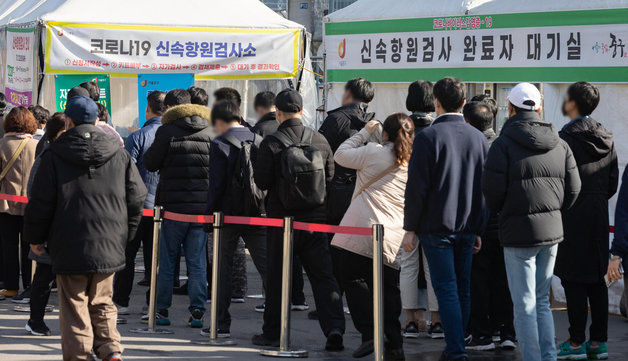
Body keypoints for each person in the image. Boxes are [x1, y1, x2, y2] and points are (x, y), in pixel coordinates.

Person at [25, 95, 146, 361]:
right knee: (103, 301)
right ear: (97, 120)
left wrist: (35, 238)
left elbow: (41, 201)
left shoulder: (54, 154)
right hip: (110, 242)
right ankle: (111, 350)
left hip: (67, 242)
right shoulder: (119, 153)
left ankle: (80, 355)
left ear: (68, 121)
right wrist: (127, 232)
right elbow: (137, 196)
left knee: (74, 303)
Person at [482, 83, 581, 361]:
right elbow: (574, 189)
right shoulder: (560, 143)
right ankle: (547, 357)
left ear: (510, 109)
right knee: (539, 303)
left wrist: (504, 211)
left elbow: (491, 191)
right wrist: (553, 211)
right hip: (551, 232)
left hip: (516, 232)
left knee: (524, 304)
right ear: (539, 108)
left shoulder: (502, 144)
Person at [402, 77, 488, 361]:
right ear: (464, 103)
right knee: (462, 288)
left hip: (436, 226)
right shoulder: (479, 137)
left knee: (448, 288)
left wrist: (410, 228)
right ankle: (456, 344)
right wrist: (479, 227)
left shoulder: (427, 137)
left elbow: (417, 188)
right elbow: (485, 188)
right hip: (467, 225)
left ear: (437, 102)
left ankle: (455, 349)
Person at [252, 89, 345, 351]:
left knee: (277, 279)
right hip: (315, 221)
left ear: (278, 113)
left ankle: (273, 333)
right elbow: (329, 178)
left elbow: (261, 182)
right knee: (324, 276)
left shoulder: (271, 142)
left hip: (282, 222)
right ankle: (335, 327)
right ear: (302, 111)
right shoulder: (321, 139)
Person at [333, 114, 414, 360]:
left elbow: (341, 154)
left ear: (385, 133)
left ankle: (370, 333)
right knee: (389, 289)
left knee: (353, 278)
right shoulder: (413, 160)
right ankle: (394, 343)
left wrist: (365, 132)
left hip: (359, 228)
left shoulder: (372, 151)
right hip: (392, 233)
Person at [554, 82, 618, 360]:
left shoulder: (565, 138)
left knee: (573, 280)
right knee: (596, 279)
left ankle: (577, 341)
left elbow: (557, 179)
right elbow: (612, 182)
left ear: (572, 104)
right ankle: (598, 343)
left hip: (571, 213)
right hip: (598, 215)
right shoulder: (607, 137)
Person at [144, 88, 212, 327]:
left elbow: (150, 163)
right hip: (202, 210)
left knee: (167, 262)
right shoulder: (211, 130)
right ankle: (197, 312)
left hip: (172, 210)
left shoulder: (166, 131)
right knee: (197, 262)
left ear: (170, 107)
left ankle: (162, 311)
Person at [200, 100, 268, 338]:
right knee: (267, 268)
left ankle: (221, 323)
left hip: (226, 216)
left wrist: (209, 215)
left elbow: (215, 186)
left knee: (222, 269)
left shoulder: (220, 143)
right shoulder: (259, 140)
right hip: (257, 214)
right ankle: (274, 324)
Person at [463, 101, 516, 351]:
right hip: (506, 223)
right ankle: (505, 331)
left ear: (468, 122)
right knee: (503, 280)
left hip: (479, 223)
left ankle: (482, 333)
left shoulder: (471, 145)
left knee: (479, 280)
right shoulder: (504, 144)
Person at [112, 91, 165, 315]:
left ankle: (122, 302)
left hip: (135, 208)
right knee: (156, 260)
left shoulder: (137, 137)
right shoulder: (171, 135)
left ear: (147, 109)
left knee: (127, 256)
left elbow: (125, 173)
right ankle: (152, 304)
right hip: (162, 209)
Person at [400, 80, 441, 339]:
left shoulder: (401, 128)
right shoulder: (438, 131)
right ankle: (437, 321)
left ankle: (412, 321)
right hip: (435, 208)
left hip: (404, 206)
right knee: (433, 267)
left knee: (408, 266)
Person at [25, 112, 67, 336]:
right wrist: (36, 234)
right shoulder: (47, 155)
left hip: (67, 227)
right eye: (65, 131)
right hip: (49, 227)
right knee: (44, 277)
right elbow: (33, 192)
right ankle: (35, 320)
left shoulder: (68, 154)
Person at [319, 77, 378, 226]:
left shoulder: (335, 120)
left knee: (335, 241)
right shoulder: (378, 126)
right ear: (369, 100)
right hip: (369, 194)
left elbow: (320, 156)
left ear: (348, 94)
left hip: (337, 194)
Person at [0, 107, 38, 301]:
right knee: (29, 246)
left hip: (6, 204)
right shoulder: (37, 146)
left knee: (8, 246)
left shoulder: (2, 144)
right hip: (32, 204)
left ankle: (11, 287)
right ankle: (29, 287)